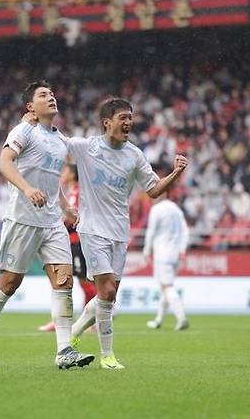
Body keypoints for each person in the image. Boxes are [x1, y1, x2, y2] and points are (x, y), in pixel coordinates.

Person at [0, 80, 94, 369]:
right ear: (30, 106)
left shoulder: (59, 139)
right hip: (22, 219)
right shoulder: (23, 130)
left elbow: (52, 180)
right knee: (9, 284)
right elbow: (4, 163)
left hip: (52, 221)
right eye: (43, 95)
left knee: (63, 281)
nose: (51, 97)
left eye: (52, 93)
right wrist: (27, 189)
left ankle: (64, 350)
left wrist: (66, 207)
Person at [67, 98, 188, 369]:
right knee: (107, 291)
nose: (128, 122)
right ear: (106, 122)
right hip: (92, 230)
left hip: (120, 233)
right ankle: (107, 356)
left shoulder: (134, 154)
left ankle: (74, 332)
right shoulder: (86, 147)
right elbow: (55, 145)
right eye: (122, 117)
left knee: (107, 296)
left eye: (130, 117)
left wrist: (176, 172)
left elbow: (154, 190)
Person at [38, 163, 97, 332]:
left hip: (76, 241)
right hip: (70, 242)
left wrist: (55, 223)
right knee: (65, 281)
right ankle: (65, 320)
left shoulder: (77, 192)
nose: (62, 173)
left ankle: (94, 317)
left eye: (65, 171)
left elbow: (73, 218)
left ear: (73, 174)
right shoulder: (71, 192)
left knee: (83, 281)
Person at [143, 193, 190, 331]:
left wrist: (146, 251)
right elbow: (185, 231)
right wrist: (182, 249)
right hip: (175, 254)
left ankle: (181, 318)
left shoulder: (156, 209)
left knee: (167, 286)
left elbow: (151, 232)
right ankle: (159, 319)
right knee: (166, 287)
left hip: (162, 253)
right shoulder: (176, 208)